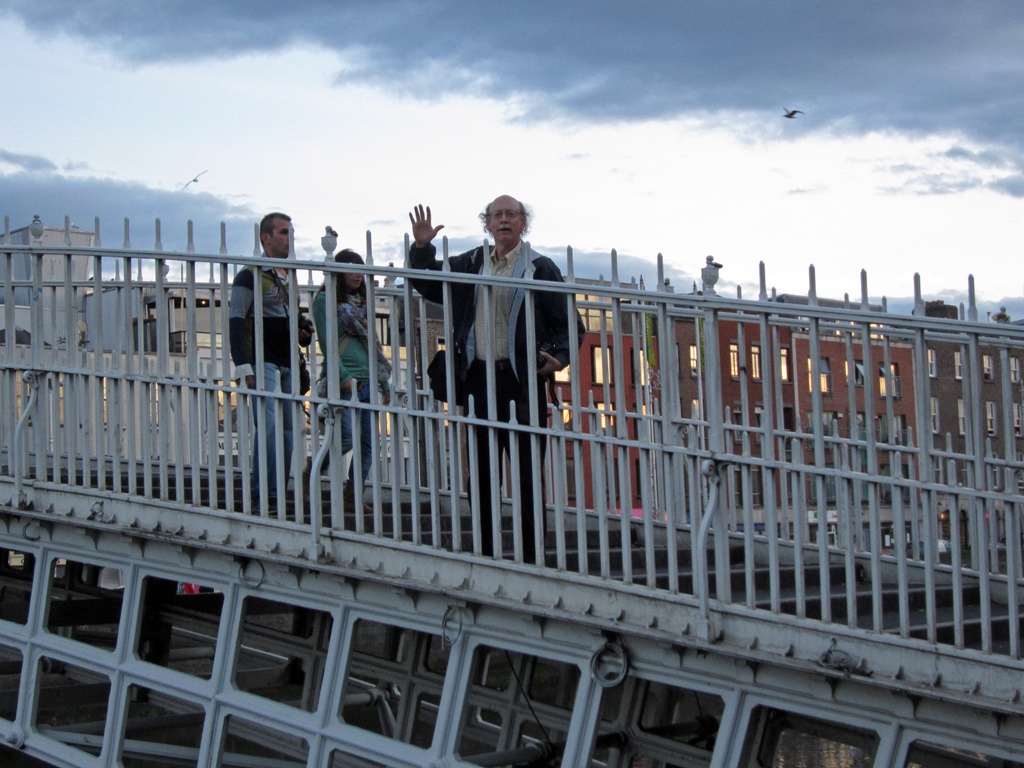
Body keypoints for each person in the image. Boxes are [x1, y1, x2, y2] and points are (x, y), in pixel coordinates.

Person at [408, 195, 584, 564]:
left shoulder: (540, 267)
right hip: (479, 381)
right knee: (483, 475)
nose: (504, 220)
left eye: (512, 215)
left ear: (523, 223)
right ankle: (487, 553)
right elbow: (426, 284)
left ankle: (531, 556)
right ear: (486, 223)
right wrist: (422, 248)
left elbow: (570, 324)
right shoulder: (471, 262)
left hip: (522, 382)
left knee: (526, 475)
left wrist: (559, 360)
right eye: (497, 215)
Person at [228, 212, 313, 506]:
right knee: (268, 428)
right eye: (283, 232)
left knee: (290, 429)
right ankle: (263, 495)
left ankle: (276, 491)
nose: (290, 238)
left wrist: (302, 330)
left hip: (288, 359)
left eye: (290, 232)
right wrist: (243, 365)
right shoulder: (249, 275)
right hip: (261, 360)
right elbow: (236, 320)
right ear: (266, 238)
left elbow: (289, 317)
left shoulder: (290, 275)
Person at [312, 249, 392, 513]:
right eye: (352, 269)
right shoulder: (325, 301)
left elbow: (373, 348)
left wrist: (383, 381)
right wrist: (344, 377)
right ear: (338, 272)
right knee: (345, 438)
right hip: (346, 383)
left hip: (369, 381)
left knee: (368, 445)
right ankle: (311, 473)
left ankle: (352, 495)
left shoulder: (362, 304)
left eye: (361, 270)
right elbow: (327, 343)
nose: (358, 275)